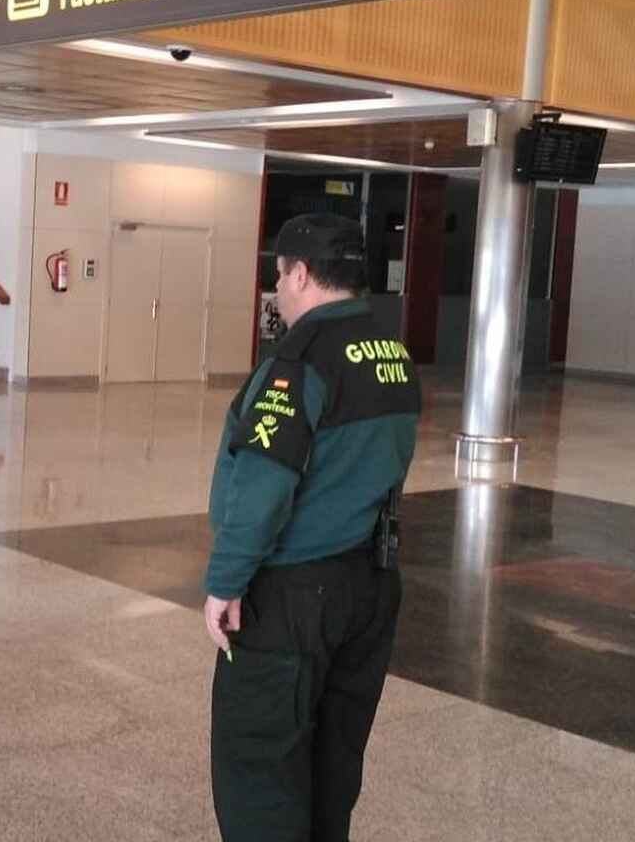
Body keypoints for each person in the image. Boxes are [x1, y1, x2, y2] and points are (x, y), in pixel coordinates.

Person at [202, 213, 422, 842]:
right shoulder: (391, 351)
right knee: (332, 763)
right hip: (371, 585)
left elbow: (265, 485)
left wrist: (226, 582)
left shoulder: (299, 359)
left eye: (279, 275)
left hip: (294, 598)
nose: (277, 290)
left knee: (260, 770)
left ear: (300, 273)